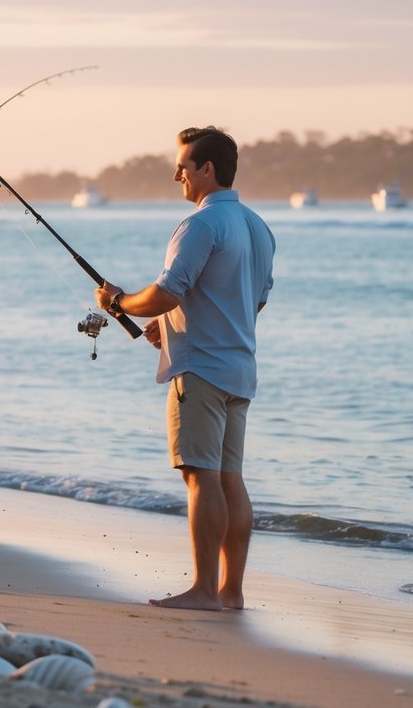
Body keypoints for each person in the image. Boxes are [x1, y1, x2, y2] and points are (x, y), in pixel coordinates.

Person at [94, 126, 274, 610]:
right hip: (240, 371)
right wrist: (170, 325)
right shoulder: (258, 227)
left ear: (206, 169)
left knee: (200, 477)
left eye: (183, 166)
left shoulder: (200, 224)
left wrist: (120, 302)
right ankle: (230, 592)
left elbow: (170, 289)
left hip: (201, 373)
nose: (177, 175)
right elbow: (248, 301)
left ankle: (202, 590)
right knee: (230, 478)